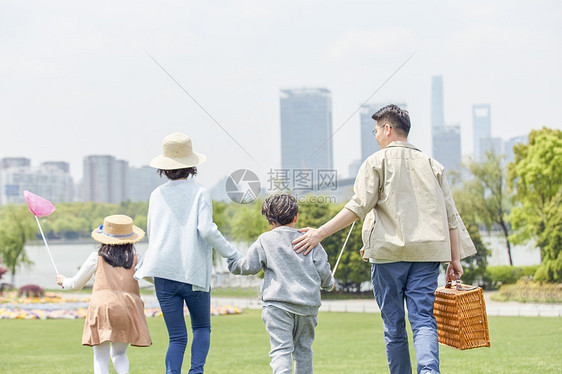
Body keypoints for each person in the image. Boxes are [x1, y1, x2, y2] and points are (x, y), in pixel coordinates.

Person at [293, 104, 475, 374]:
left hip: (387, 256)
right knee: (424, 320)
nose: (375, 135)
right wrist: (455, 260)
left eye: (376, 129)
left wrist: (319, 233)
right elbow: (451, 217)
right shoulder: (432, 165)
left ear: (388, 129)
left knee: (393, 324)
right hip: (426, 258)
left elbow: (356, 207)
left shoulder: (376, 162)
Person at [134, 132, 240, 374]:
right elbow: (206, 230)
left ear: (164, 168)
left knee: (177, 338)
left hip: (162, 272)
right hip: (193, 272)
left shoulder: (156, 194)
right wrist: (232, 254)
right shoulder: (200, 192)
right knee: (201, 328)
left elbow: (153, 232)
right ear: (192, 166)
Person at [227, 194, 334, 374]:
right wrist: (329, 284)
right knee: (303, 351)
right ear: (296, 217)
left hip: (277, 306)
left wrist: (231, 260)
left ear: (269, 220)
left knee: (281, 351)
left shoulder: (265, 240)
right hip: (307, 307)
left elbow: (247, 267)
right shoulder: (311, 238)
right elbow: (324, 271)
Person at [56, 214, 151, 374]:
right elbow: (152, 277)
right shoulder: (136, 259)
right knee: (120, 354)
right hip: (128, 308)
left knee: (100, 357)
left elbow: (76, 284)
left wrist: (63, 280)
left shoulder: (97, 257)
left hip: (102, 307)